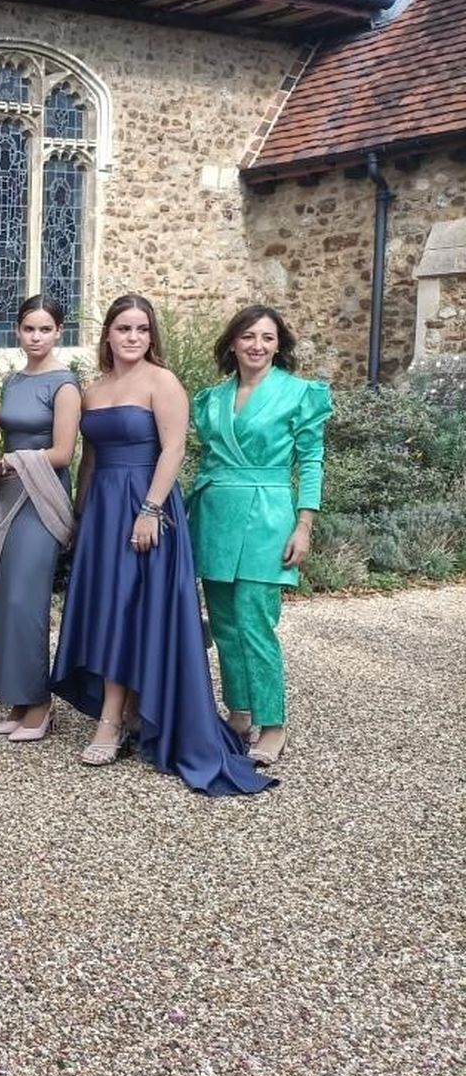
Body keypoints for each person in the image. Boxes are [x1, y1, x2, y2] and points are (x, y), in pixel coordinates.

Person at [49, 295, 274, 796]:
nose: (133, 337)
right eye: (124, 328)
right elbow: (88, 459)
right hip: (104, 510)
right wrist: (81, 515)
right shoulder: (94, 389)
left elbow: (174, 448)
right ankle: (126, 710)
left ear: (152, 337)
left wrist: (150, 510)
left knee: (133, 609)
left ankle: (111, 720)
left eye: (142, 329)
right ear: (107, 334)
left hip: (145, 507)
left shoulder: (162, 382)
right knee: (109, 609)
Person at [190, 305, 331, 767]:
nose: (257, 345)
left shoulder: (298, 394)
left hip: (268, 515)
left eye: (267, 338)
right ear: (232, 342)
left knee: (256, 624)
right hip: (215, 513)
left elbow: (310, 461)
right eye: (248, 336)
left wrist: (304, 524)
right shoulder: (211, 398)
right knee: (225, 625)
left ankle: (274, 724)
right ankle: (239, 712)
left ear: (278, 345)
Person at [0, 297, 80, 743]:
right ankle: (17, 700)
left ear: (58, 332)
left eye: (44, 329)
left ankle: (40, 703)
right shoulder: (12, 380)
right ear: (17, 331)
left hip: (43, 496)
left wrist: (15, 459)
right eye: (28, 329)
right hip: (9, 493)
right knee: (3, 594)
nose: (36, 337)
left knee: (26, 599)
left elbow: (64, 452)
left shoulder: (66, 385)